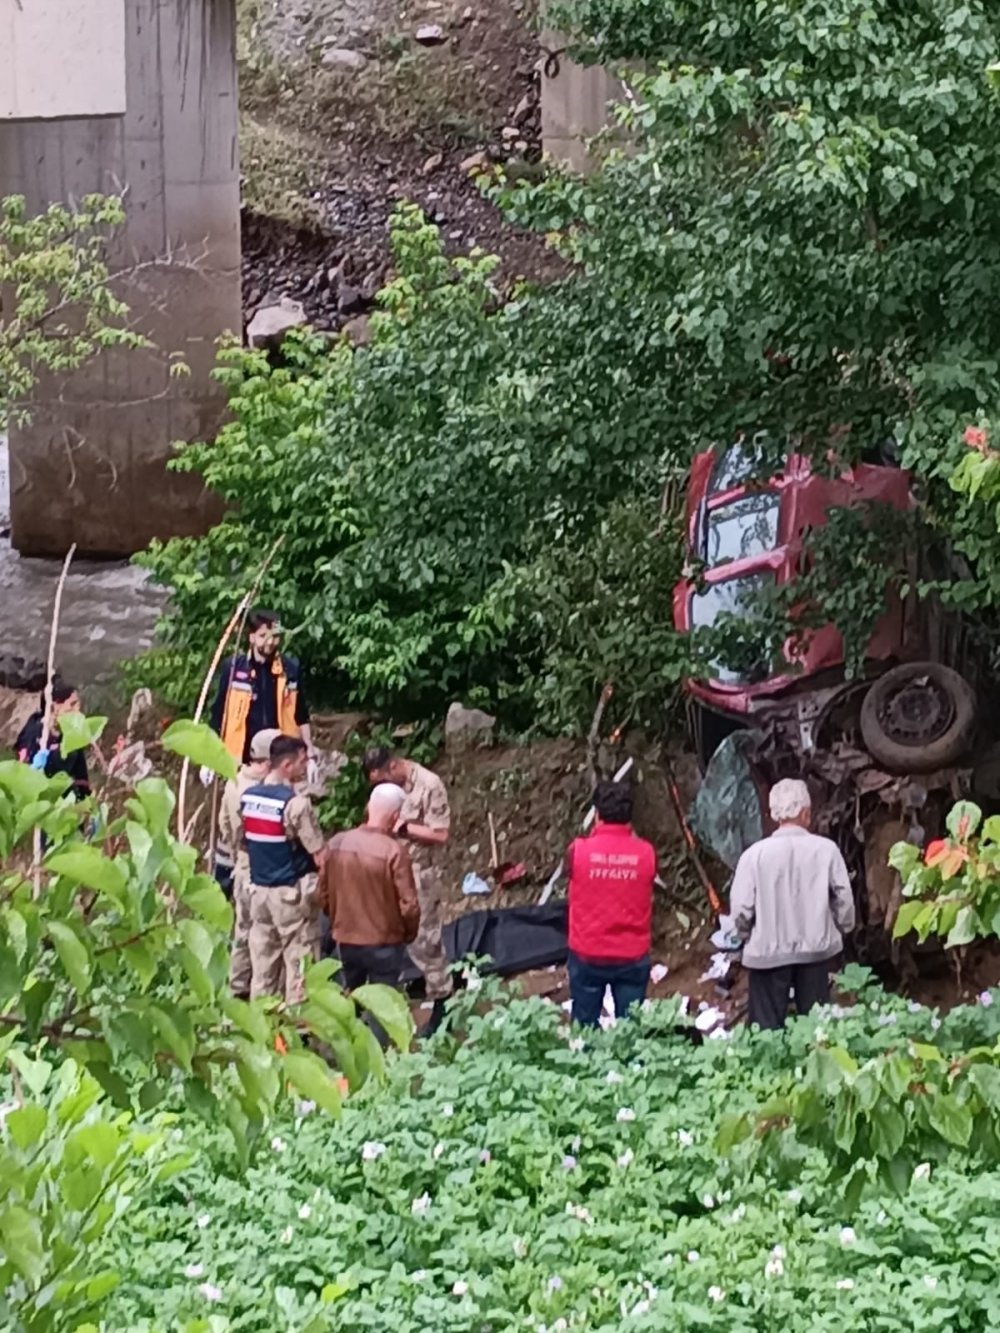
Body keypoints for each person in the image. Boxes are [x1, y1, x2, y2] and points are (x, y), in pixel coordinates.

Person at [729, 777, 855, 1031]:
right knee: (817, 1029)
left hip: (767, 954)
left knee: (765, 1032)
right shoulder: (826, 850)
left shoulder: (754, 856)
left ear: (774, 814)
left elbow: (741, 910)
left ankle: (770, 1069)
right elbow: (844, 900)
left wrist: (744, 934)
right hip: (815, 953)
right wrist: (843, 927)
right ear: (806, 813)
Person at [363, 746, 452, 1035]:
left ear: (393, 767)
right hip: (387, 870)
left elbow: (440, 834)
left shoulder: (428, 784)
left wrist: (405, 829)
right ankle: (388, 1009)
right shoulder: (384, 788)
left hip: (418, 874)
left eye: (382, 781)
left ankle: (442, 1000)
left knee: (425, 940)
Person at [240, 734, 326, 1004]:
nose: (305, 767)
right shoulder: (295, 804)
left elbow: (244, 843)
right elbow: (319, 854)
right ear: (286, 765)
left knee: (263, 968)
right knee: (301, 966)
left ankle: (263, 1029)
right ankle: (299, 1032)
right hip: (290, 895)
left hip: (259, 894)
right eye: (301, 761)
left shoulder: (248, 799)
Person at [564, 780, 657, 1027]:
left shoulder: (577, 851)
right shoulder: (647, 853)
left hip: (587, 954)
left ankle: (586, 1064)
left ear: (596, 814)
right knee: (630, 1031)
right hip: (632, 956)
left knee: (585, 1027)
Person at [317, 782, 420, 994]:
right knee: (382, 1005)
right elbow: (409, 906)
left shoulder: (336, 843)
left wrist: (338, 922)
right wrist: (406, 935)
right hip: (385, 942)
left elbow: (322, 895)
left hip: (345, 938)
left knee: (348, 998)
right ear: (394, 817)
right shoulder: (394, 852)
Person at [218, 727, 282, 999]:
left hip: (240, 867)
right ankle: (263, 998)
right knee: (264, 937)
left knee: (242, 933)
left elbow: (224, 826)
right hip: (259, 869)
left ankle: (236, 990)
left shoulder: (234, 781)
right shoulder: (260, 791)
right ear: (269, 761)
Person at [208, 609, 314, 770]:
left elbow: (301, 716)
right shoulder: (234, 668)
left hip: (282, 760)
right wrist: (210, 759)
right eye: (263, 636)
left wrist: (310, 755)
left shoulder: (290, 668)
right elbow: (219, 715)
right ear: (252, 637)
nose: (270, 642)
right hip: (242, 761)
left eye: (275, 636)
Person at [14, 680, 91, 799]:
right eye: (72, 705)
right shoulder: (33, 734)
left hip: (64, 800)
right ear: (54, 706)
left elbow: (81, 778)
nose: (77, 711)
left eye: (78, 705)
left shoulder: (71, 735)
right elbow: (21, 776)